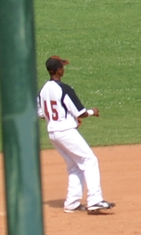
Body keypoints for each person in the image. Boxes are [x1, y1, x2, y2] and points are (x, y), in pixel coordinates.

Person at [37, 55, 114, 214]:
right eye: (62, 67)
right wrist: (93, 112)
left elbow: (41, 114)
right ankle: (95, 200)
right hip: (66, 132)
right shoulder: (64, 89)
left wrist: (67, 118)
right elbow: (81, 112)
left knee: (74, 166)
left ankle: (72, 203)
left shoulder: (42, 91)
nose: (64, 69)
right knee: (90, 160)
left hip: (53, 133)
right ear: (59, 70)